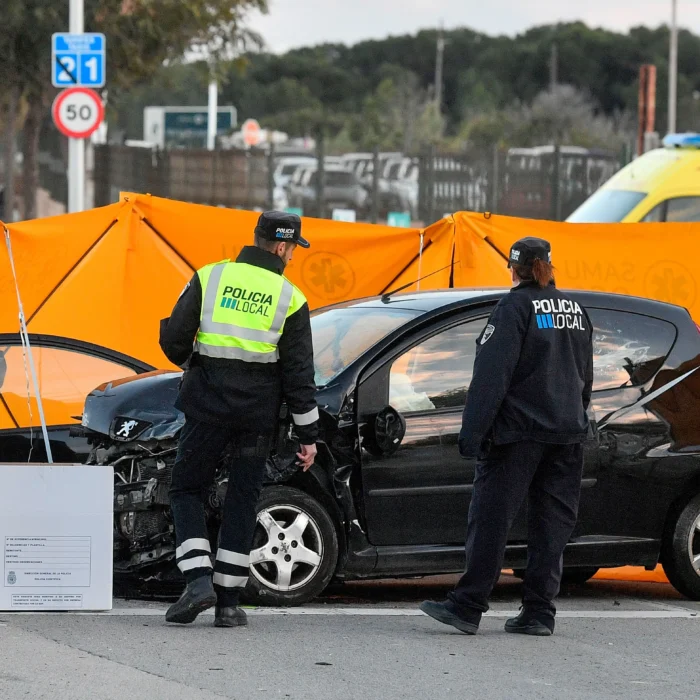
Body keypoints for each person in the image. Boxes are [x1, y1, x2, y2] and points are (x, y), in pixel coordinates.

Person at [420, 237, 593, 637]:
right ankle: (538, 612)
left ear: (513, 268)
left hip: (518, 434)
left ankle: (467, 605)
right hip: (567, 433)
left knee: (492, 518)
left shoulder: (513, 308)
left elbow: (491, 376)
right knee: (552, 525)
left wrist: (473, 432)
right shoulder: (574, 309)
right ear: (548, 264)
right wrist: (575, 415)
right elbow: (585, 377)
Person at [159, 211, 318, 628]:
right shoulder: (291, 298)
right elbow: (299, 375)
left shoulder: (210, 277)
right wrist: (308, 435)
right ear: (283, 247)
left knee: (186, 489)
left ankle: (197, 580)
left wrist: (195, 364)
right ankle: (228, 603)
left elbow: (173, 339)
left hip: (206, 408)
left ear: (257, 238)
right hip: (256, 417)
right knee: (242, 499)